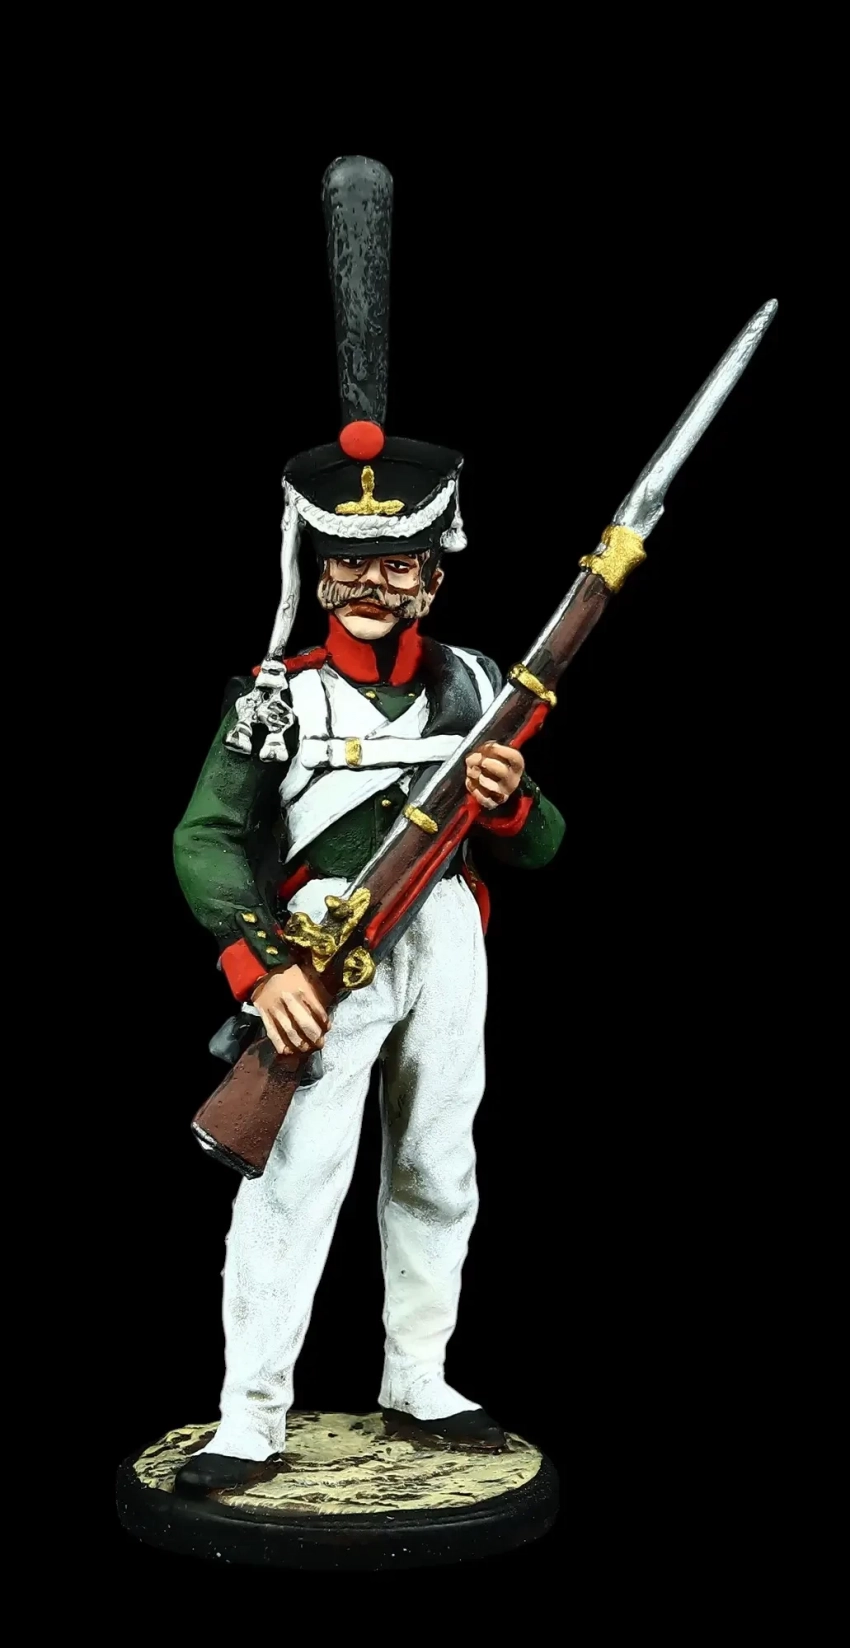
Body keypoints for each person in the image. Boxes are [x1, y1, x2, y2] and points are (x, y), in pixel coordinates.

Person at [171, 156, 565, 1496]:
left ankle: (418, 1377)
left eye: (399, 561)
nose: (374, 581)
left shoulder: (476, 685)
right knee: (292, 1179)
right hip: (318, 947)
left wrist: (510, 804)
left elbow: (543, 847)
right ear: (318, 564)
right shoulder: (274, 697)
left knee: (440, 1159)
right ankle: (249, 1417)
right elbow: (207, 839)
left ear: (435, 569)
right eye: (350, 561)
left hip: (443, 933)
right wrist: (257, 968)